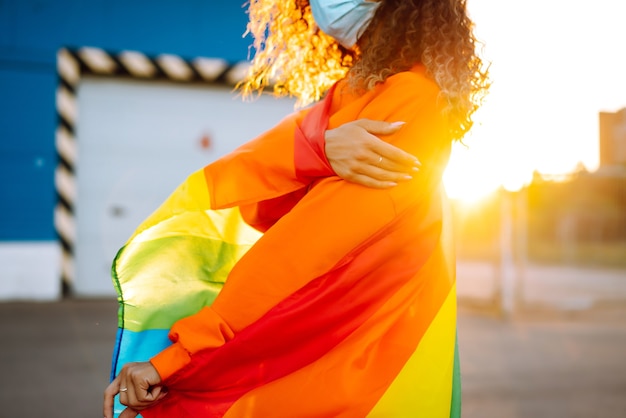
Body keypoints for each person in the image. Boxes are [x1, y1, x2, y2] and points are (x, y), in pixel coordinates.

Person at [103, 0, 489, 417]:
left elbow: (305, 254)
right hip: (334, 364)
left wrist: (183, 358)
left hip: (367, 373)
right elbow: (260, 193)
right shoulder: (343, 100)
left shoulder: (411, 100)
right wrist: (318, 146)